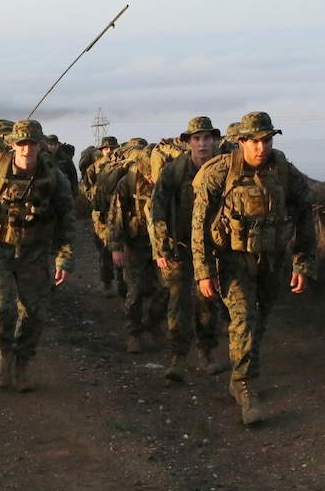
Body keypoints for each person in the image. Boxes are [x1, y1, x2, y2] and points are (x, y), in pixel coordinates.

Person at [192, 111, 317, 425]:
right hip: (232, 261)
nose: (263, 147)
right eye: (256, 141)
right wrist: (204, 271)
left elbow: (306, 215)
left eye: (268, 140)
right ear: (242, 141)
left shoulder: (284, 171)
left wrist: (302, 263)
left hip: (272, 261)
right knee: (245, 320)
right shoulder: (220, 172)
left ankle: (241, 371)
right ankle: (246, 387)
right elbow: (199, 224)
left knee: (258, 321)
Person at [0, 119, 76, 392]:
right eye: (22, 143)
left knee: (34, 313)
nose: (27, 149)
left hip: (35, 252)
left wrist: (64, 258)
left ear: (40, 145)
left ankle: (22, 364)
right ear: (13, 145)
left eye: (32, 143)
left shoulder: (54, 176)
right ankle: (5, 352)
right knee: (1, 310)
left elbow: (67, 218)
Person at [151, 116, 226, 381]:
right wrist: (160, 248)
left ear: (214, 141)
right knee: (178, 301)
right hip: (179, 248)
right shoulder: (173, 172)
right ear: (188, 142)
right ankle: (178, 357)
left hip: (212, 249)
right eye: (197, 138)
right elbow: (157, 210)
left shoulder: (223, 169)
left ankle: (206, 353)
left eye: (207, 138)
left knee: (208, 301)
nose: (202, 143)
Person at [108, 146, 167, 354]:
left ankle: (152, 320)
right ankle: (134, 333)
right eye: (149, 173)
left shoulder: (165, 181)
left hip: (161, 245)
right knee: (135, 291)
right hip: (135, 244)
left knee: (167, 287)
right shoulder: (128, 182)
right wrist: (116, 247)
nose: (152, 178)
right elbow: (116, 215)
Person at [81, 135, 123, 297]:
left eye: (112, 148)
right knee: (104, 249)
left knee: (120, 248)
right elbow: (84, 186)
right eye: (106, 148)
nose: (109, 151)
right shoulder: (95, 167)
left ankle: (123, 285)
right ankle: (106, 283)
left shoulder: (123, 165)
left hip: (119, 213)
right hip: (101, 216)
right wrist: (96, 197)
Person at [44, 134, 80, 198]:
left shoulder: (65, 158)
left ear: (58, 145)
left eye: (55, 145)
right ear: (46, 145)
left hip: (64, 192)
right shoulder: (42, 157)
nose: (53, 147)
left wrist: (75, 193)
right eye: (50, 145)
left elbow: (73, 175)